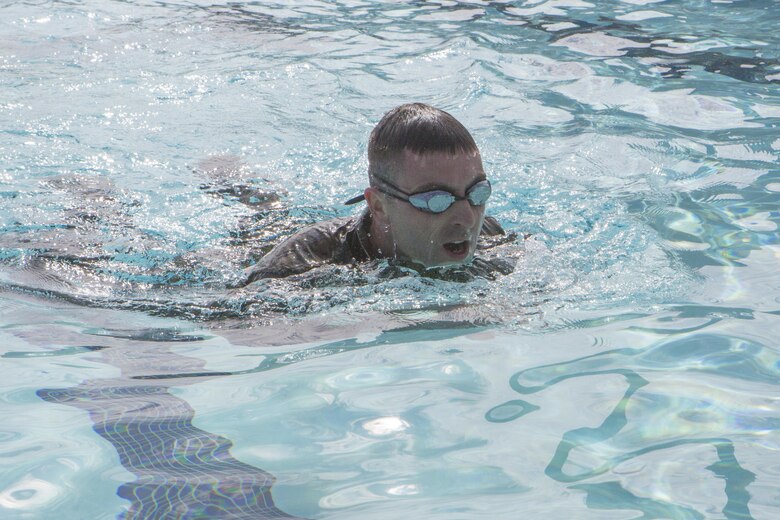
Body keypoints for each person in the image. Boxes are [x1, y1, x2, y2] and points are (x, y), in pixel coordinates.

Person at [239, 103, 517, 285]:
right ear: (379, 205)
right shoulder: (300, 268)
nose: (468, 219)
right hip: (268, 241)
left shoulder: (490, 238)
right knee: (267, 219)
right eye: (436, 201)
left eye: (477, 193)